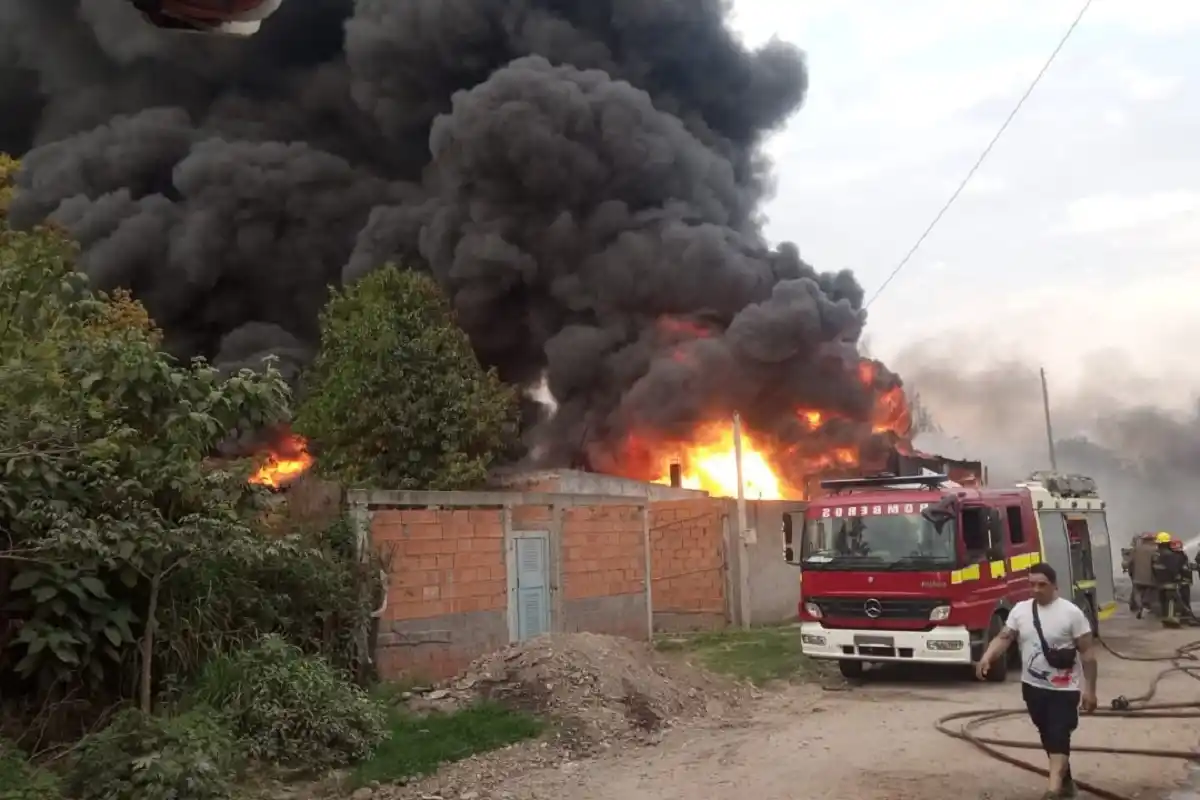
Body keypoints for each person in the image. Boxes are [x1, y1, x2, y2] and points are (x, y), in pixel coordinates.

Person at [977, 563, 1098, 799]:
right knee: (1048, 735)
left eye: (1042, 585)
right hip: (1033, 687)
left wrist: (1090, 690)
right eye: (1032, 584)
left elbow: (1088, 655)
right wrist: (987, 657)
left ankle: (1052, 790)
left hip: (1064, 688)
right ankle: (1066, 783)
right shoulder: (1021, 611)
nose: (1036, 589)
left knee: (1059, 733)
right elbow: (1005, 637)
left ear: (1055, 586)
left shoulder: (1072, 614)